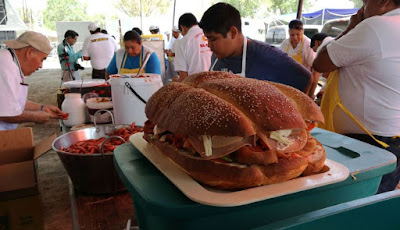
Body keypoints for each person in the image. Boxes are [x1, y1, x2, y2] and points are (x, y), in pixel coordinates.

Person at [313, 2, 400, 194]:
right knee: (372, 204)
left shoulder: (376, 26)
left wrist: (352, 28)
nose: (362, 8)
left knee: (351, 206)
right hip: (390, 141)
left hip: (368, 144)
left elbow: (321, 62)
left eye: (365, 1)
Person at [198, 3, 311, 92]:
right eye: (207, 39)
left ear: (232, 33)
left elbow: (306, 79)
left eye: (213, 39)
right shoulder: (217, 56)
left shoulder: (266, 55)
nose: (208, 45)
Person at [0, 31, 67, 131]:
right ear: (29, 52)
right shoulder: (5, 67)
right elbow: (6, 112)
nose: (41, 66)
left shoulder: (11, 62)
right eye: (42, 59)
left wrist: (42, 108)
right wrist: (34, 117)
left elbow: (12, 101)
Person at [280, 19, 319, 98]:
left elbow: (315, 70)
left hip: (304, 83)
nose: (295, 38)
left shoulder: (308, 44)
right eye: (292, 35)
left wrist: (310, 94)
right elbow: (280, 64)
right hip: (287, 82)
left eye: (298, 34)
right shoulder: (285, 43)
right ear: (288, 33)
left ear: (303, 31)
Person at [174, 13, 212, 79]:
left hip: (195, 84)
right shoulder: (211, 35)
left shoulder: (182, 42)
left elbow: (183, 77)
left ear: (183, 27)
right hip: (214, 81)